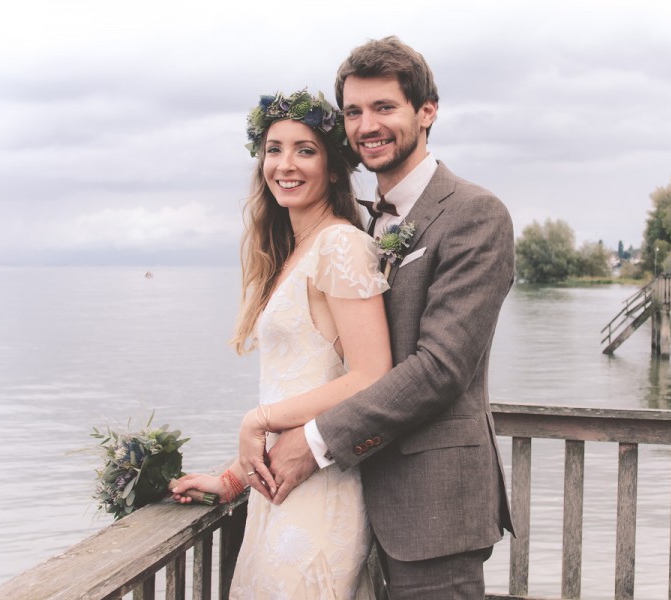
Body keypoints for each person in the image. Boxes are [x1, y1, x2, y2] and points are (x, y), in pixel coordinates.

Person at [265, 37, 516, 598]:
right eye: (354, 111)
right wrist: (241, 471)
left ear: (427, 111)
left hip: (432, 511)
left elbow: (440, 369)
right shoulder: (359, 225)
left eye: (384, 107)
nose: (366, 125)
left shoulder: (476, 215)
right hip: (346, 502)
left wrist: (315, 442)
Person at [171, 88, 392, 598]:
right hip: (280, 492)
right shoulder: (296, 252)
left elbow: (371, 374)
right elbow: (303, 377)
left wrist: (258, 420)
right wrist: (232, 478)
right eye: (274, 149)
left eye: (305, 150)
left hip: (319, 494)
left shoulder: (340, 245)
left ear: (334, 168)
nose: (285, 164)